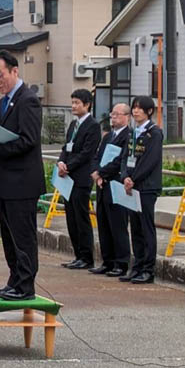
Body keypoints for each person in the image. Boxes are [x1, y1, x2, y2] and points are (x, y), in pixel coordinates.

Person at [0, 50, 46, 301]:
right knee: (9, 236)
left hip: (23, 182)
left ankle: (25, 285)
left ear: (14, 71)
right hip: (6, 181)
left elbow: (28, 140)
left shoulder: (28, 100)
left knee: (23, 235)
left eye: (0, 75)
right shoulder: (5, 102)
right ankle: (14, 280)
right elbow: (1, 131)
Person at [120, 96, 163, 284]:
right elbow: (125, 157)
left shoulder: (154, 133)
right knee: (135, 227)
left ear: (149, 111)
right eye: (134, 108)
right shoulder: (132, 132)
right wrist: (124, 177)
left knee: (146, 228)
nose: (136, 111)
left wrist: (134, 179)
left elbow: (150, 161)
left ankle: (148, 268)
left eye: (139, 108)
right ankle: (136, 266)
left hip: (146, 187)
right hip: (131, 185)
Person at [57, 89, 101, 270]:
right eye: (72, 102)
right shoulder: (73, 125)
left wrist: (69, 166)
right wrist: (61, 161)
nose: (73, 106)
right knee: (71, 217)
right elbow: (66, 147)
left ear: (87, 104)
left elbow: (86, 153)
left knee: (81, 217)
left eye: (77, 103)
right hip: (67, 178)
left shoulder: (92, 125)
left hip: (81, 178)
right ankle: (77, 254)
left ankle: (86, 256)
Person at [89, 103, 132, 277]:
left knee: (117, 224)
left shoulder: (128, 136)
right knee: (104, 223)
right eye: (112, 114)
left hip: (116, 183)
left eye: (117, 114)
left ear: (126, 117)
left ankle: (121, 262)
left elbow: (119, 161)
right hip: (102, 184)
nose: (113, 117)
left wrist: (102, 172)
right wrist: (96, 174)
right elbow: (97, 156)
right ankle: (107, 260)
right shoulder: (107, 137)